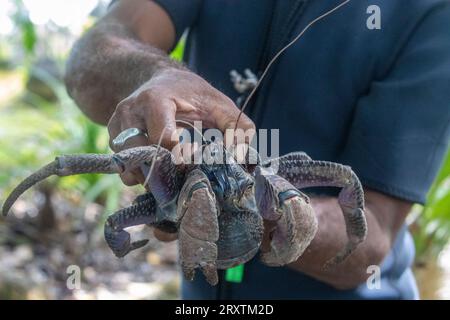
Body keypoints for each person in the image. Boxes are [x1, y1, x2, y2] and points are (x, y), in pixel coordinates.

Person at [64, 0, 450, 299]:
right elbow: (98, 46)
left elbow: (372, 236)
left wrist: (259, 206)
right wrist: (153, 75)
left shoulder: (431, 15)